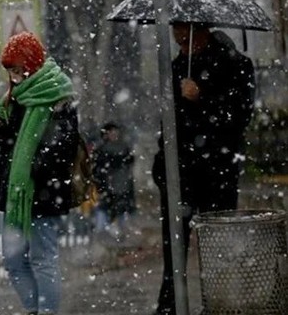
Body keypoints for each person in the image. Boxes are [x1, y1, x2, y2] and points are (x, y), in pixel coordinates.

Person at [152, 23, 255, 315]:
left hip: (216, 171)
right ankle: (169, 306)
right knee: (174, 247)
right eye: (177, 37)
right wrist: (162, 164)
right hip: (178, 172)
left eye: (185, 37)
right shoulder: (176, 68)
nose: (180, 43)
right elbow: (168, 122)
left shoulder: (235, 65)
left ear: (201, 32)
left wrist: (202, 98)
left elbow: (239, 115)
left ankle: (218, 304)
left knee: (216, 246)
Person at [0, 31, 78, 315]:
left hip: (42, 190)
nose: (15, 75)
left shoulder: (57, 94)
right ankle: (34, 309)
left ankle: (46, 312)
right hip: (16, 192)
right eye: (10, 70)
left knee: (43, 258)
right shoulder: (18, 97)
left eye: (18, 69)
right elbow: (14, 142)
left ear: (31, 64)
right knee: (13, 259)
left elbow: (63, 146)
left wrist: (34, 166)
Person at [92, 122, 136, 238]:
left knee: (119, 216)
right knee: (105, 215)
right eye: (111, 132)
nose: (114, 135)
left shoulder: (123, 148)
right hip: (108, 188)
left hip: (120, 187)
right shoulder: (102, 150)